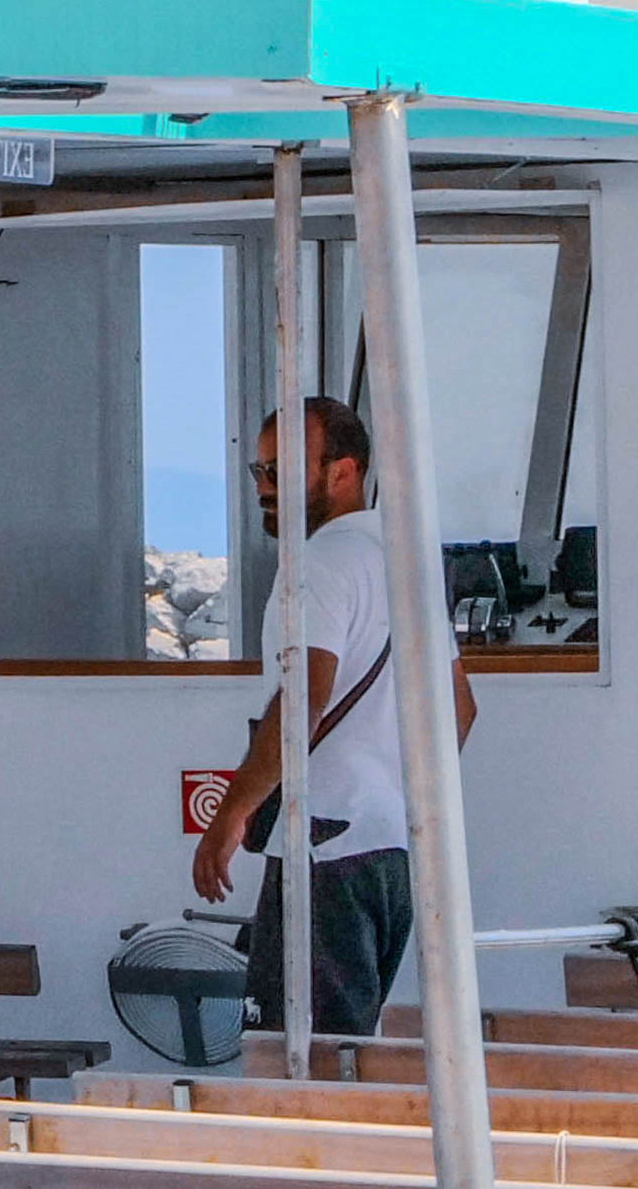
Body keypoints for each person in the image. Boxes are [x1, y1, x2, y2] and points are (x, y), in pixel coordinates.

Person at [181, 396, 470, 1045]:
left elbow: (302, 701)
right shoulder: (406, 561)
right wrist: (403, 795)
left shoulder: (321, 564)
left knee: (294, 1056)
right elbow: (460, 707)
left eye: (280, 471)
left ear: (342, 471)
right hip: (392, 852)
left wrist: (230, 815)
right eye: (257, 472)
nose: (263, 488)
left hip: (323, 848)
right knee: (347, 1052)